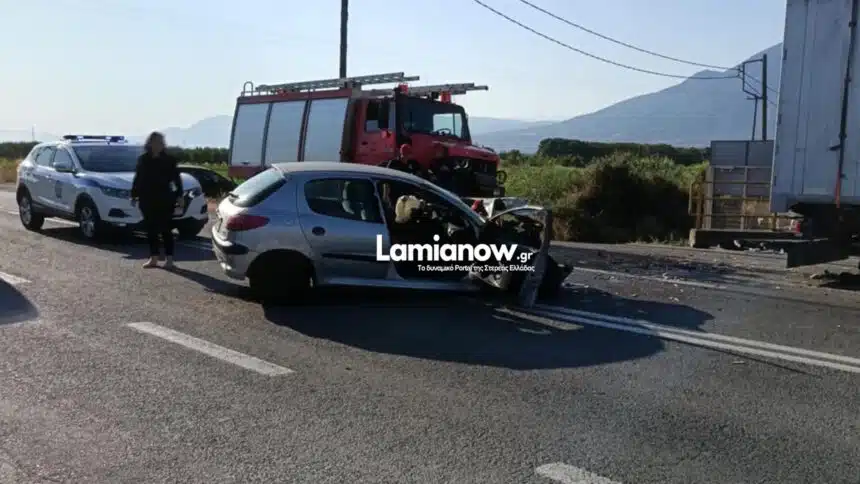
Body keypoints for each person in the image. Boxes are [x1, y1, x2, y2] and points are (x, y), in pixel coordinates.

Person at [131, 131, 183, 269]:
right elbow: (138, 178)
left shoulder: (169, 160)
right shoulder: (143, 159)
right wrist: (134, 194)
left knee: (166, 229)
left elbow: (176, 179)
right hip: (147, 198)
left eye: (160, 142)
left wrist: (180, 195)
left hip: (165, 198)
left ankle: (170, 259)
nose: (158, 145)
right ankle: (153, 258)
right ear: (150, 143)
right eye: (155, 142)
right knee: (151, 229)